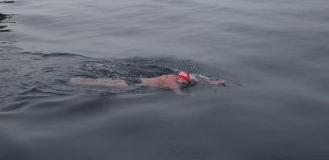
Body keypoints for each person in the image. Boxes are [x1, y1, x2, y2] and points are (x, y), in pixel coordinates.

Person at [70, 71, 225, 95]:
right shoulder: (172, 83)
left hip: (138, 80)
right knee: (100, 84)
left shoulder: (174, 76)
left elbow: (197, 79)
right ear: (180, 79)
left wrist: (214, 82)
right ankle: (75, 81)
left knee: (101, 81)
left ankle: (78, 80)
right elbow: (179, 93)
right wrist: (190, 98)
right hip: (133, 84)